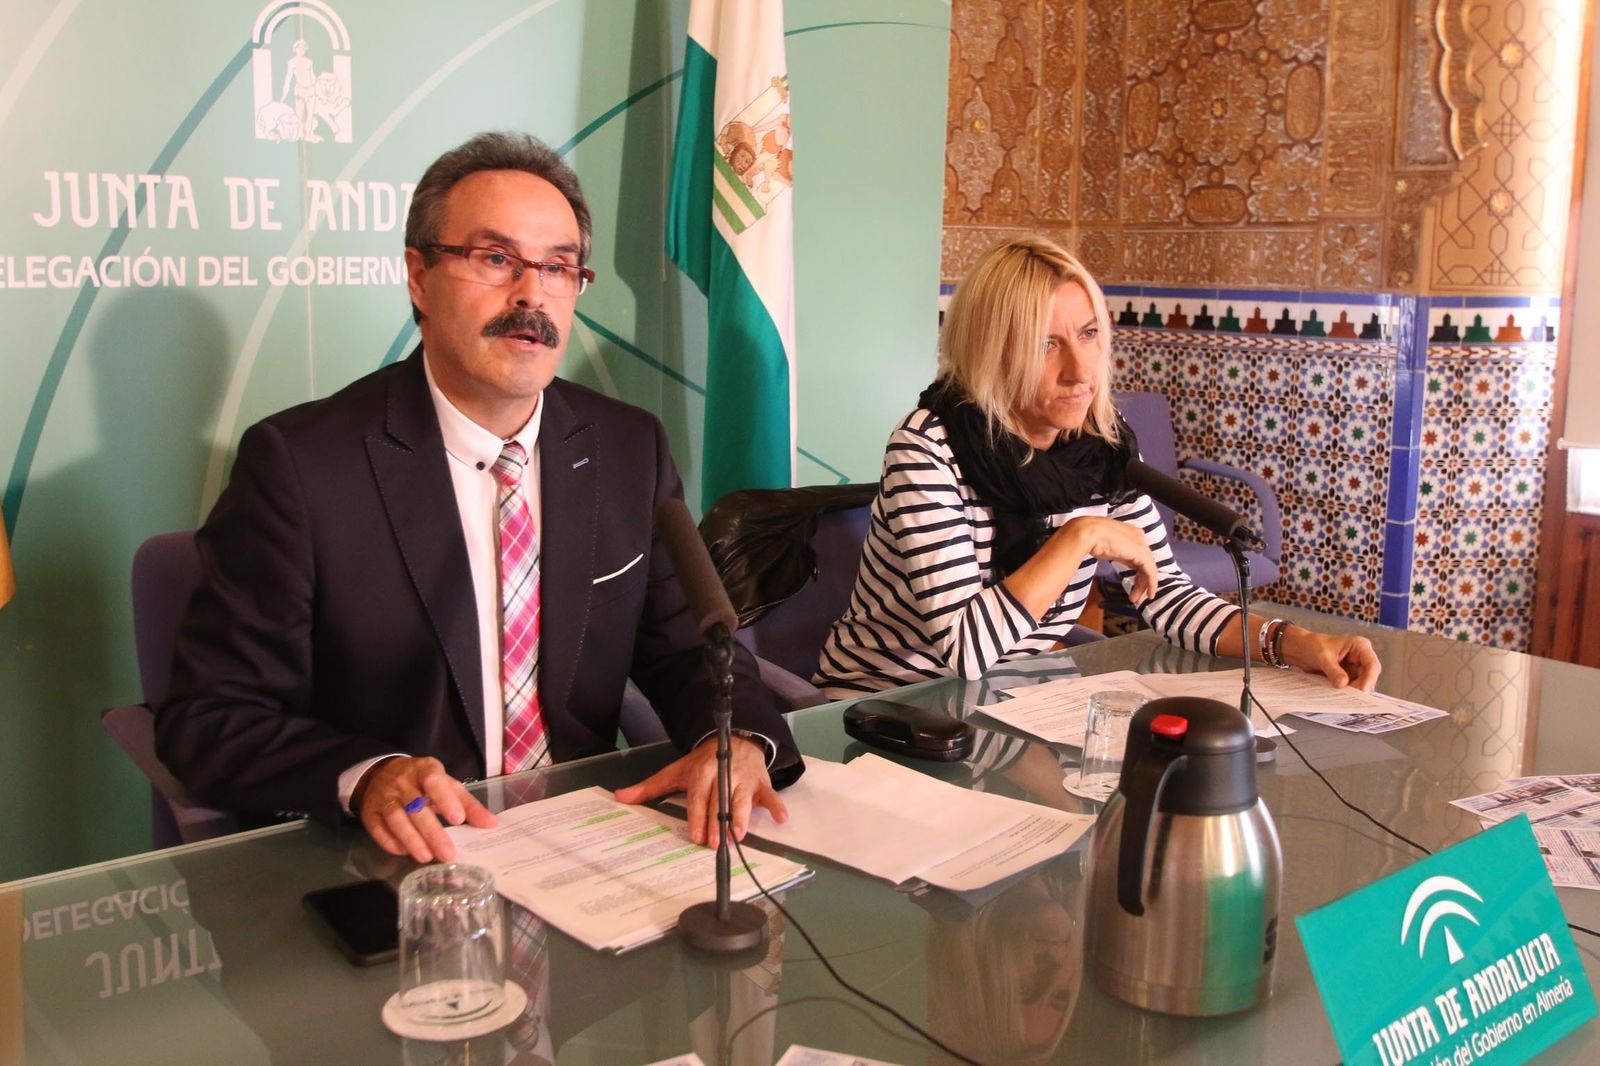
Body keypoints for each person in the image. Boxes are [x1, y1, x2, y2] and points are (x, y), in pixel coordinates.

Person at [156, 132, 801, 864]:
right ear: (419, 277)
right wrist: (368, 775)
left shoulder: (628, 447)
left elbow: (695, 652)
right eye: (496, 259)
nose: (531, 294)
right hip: (402, 864)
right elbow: (208, 717)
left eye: (559, 267)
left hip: (587, 851)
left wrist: (738, 741)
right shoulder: (301, 466)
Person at [815, 235, 1379, 699]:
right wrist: (1081, 536)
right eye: (1045, 344)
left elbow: (1169, 600)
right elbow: (966, 649)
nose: (1081, 370)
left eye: (1088, 335)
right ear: (991, 350)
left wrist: (1296, 642)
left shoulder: (1100, 449)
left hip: (1006, 701)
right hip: (881, 706)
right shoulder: (926, 450)